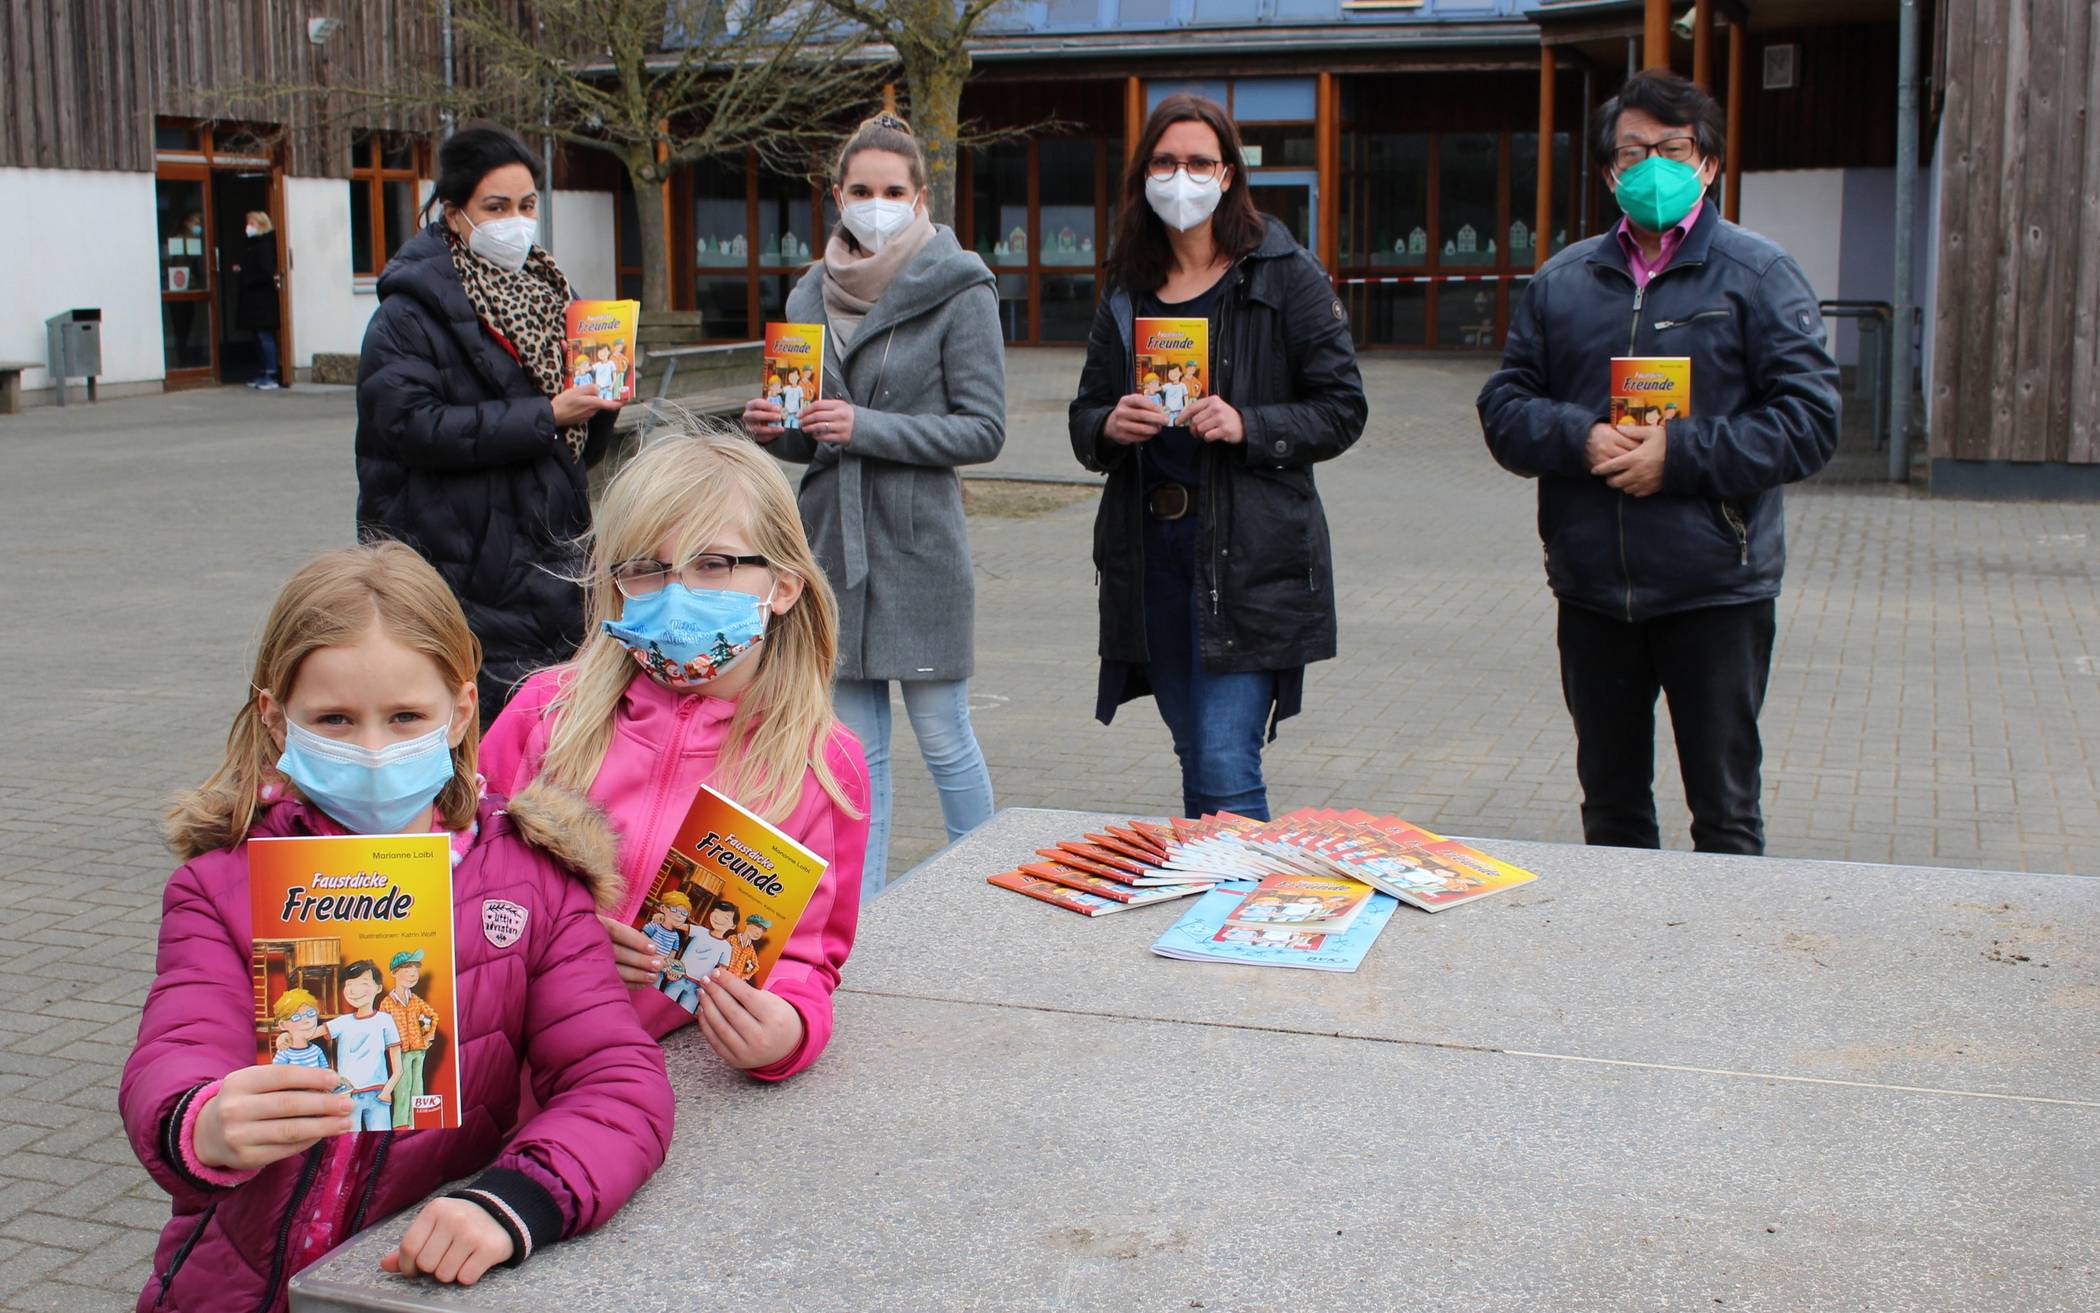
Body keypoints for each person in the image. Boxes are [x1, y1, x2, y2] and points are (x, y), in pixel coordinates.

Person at [122, 542, 672, 1311]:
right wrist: (201, 1121)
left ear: (461, 709)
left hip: (412, 1277)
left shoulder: (531, 883)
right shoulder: (221, 884)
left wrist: (515, 1200)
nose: (374, 750)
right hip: (231, 1284)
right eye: (335, 719)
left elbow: (616, 1080)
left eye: (406, 716)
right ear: (277, 719)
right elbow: (175, 1047)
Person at [1476, 69, 1839, 855]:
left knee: (1726, 811)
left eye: (1672, 148)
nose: (1652, 167)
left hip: (1715, 589)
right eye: (1632, 151)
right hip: (1594, 592)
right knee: (1610, 810)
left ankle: (1724, 971)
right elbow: (1504, 409)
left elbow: (1810, 422)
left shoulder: (1759, 275)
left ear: (1707, 162)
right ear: (1608, 170)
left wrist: (1678, 455)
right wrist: (1579, 437)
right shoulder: (1563, 281)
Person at [481, 430, 870, 1079]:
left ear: (783, 584)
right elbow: (457, 877)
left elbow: (807, 957)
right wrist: (551, 937)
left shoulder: (821, 763)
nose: (677, 591)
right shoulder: (545, 713)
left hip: (634, 1073)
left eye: (712, 563)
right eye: (647, 568)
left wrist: (790, 1030)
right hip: (500, 1044)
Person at [1069, 94, 1367, 821]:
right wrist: (1113, 422)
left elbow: (1343, 407)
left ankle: (1245, 920)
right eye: (1165, 162)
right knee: (1195, 755)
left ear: (1229, 174)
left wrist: (1249, 424)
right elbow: (1083, 417)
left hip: (1249, 557)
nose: (1182, 177)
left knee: (1226, 762)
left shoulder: (1284, 273)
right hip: (1154, 556)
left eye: (1200, 162)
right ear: (1143, 174)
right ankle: (1216, 906)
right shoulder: (1127, 286)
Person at [743, 111, 1003, 898]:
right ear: (836, 195)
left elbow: (984, 428)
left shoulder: (962, 286)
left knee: (944, 736)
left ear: (921, 197)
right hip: (831, 545)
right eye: (862, 189)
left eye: (893, 189)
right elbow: (813, 436)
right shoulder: (808, 294)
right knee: (855, 748)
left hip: (919, 545)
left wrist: (866, 426)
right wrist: (775, 430)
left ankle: (983, 884)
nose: (877, 202)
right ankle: (868, 908)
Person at [355, 124, 623, 724]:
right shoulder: (407, 314)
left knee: (544, 733)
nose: (515, 222)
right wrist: (545, 414)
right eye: (495, 207)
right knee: (467, 729)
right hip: (453, 560)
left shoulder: (554, 295)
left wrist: (601, 407)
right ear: (454, 214)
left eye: (526, 206)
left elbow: (576, 450)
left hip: (550, 558)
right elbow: (409, 425)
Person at [380, 949, 440, 1130]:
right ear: (394, 973)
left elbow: (432, 1016)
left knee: (418, 1086)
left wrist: (426, 1036)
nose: (413, 972)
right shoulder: (387, 1003)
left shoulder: (415, 1000)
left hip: (418, 1050)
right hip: (400, 1052)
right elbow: (382, 1028)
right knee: (402, 1087)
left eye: (415, 967)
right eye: (407, 968)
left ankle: (416, 1122)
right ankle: (400, 1124)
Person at [229, 210, 282, 388]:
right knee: (258, 336)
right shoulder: (253, 244)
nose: (248, 227)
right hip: (254, 299)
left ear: (260, 225)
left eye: (251, 223)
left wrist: (244, 273)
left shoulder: (264, 245)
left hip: (262, 300)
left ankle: (271, 374)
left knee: (264, 336)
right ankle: (263, 372)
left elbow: (265, 272)